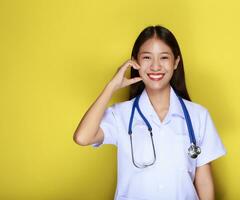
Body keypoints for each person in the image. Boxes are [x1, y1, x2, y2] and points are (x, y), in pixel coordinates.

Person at [73, 25, 226, 200]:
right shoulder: (121, 115)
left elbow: (204, 181)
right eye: (146, 57)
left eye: (164, 57)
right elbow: (82, 138)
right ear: (135, 62)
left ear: (176, 62)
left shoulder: (198, 116)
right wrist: (111, 86)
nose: (155, 66)